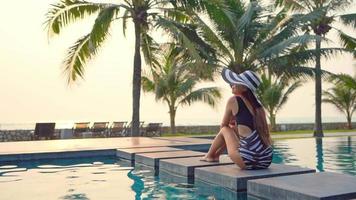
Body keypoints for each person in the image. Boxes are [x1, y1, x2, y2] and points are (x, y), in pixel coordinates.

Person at [201, 68, 273, 170]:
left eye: (236, 82)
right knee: (233, 128)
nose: (232, 84)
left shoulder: (234, 100)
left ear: (244, 88)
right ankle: (215, 156)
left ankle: (210, 155)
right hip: (266, 160)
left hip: (247, 160)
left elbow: (223, 126)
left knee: (225, 129)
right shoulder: (258, 106)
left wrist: (231, 128)